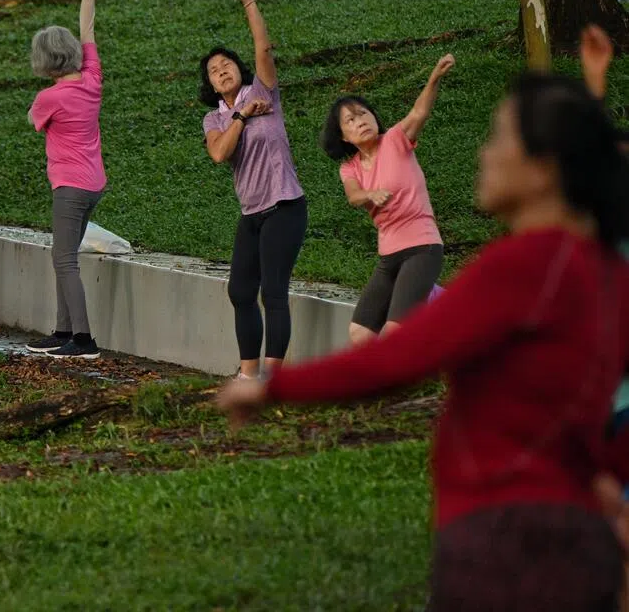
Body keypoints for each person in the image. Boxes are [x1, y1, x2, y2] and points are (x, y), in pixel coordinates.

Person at [220, 72, 629, 611]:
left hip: (508, 536)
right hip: (561, 529)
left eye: (499, 138)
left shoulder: (527, 266)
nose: (484, 153)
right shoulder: (596, 268)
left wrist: (271, 389)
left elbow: (399, 358)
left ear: (543, 170)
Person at [201, 0, 306, 382]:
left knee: (272, 291)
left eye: (227, 63)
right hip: (252, 213)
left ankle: (273, 379)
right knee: (240, 292)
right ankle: (249, 375)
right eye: (213, 70)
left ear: (240, 70)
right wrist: (242, 116)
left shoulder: (264, 90)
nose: (222, 69)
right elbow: (219, 153)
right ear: (210, 85)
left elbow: (263, 46)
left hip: (285, 206)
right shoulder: (216, 117)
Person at [320, 54, 455, 344]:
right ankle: (441, 302)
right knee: (360, 333)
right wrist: (370, 194)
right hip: (389, 254)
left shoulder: (395, 140)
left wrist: (434, 77)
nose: (361, 121)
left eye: (364, 113)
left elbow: (418, 114)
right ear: (343, 136)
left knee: (395, 333)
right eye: (351, 120)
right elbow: (354, 196)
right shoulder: (350, 167)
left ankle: (402, 383)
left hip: (422, 246)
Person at [24, 0, 107, 360]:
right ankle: (62, 330)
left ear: (45, 62)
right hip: (93, 183)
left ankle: (85, 341)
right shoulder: (92, 78)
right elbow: (87, 26)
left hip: (70, 187)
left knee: (64, 260)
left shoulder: (49, 99)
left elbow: (34, 120)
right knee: (65, 257)